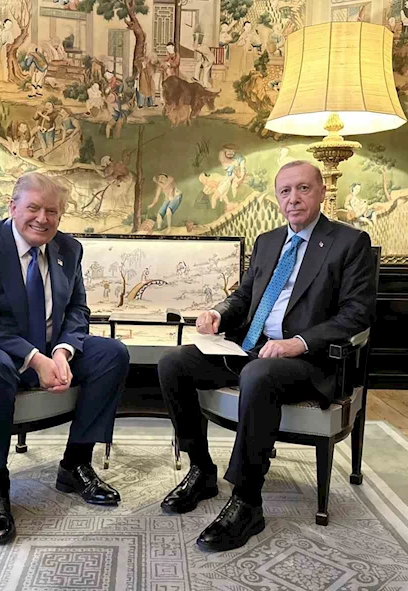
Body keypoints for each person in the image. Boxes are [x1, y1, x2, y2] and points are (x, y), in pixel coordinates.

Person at [156, 161, 376, 552]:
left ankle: (247, 500)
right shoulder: (268, 241)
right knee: (173, 363)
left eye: (303, 188)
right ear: (277, 198)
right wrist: (219, 314)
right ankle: (201, 470)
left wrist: (299, 342)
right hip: (253, 348)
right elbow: (244, 297)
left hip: (310, 361)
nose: (294, 198)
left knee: (258, 374)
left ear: (322, 192)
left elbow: (357, 314)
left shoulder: (349, 242)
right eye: (285, 191)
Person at [0, 172, 130, 546]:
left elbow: (78, 310)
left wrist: (63, 351)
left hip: (49, 347)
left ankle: (75, 464)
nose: (43, 218)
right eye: (33, 208)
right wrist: (35, 358)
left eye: (52, 211)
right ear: (13, 207)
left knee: (111, 354)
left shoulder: (69, 249)